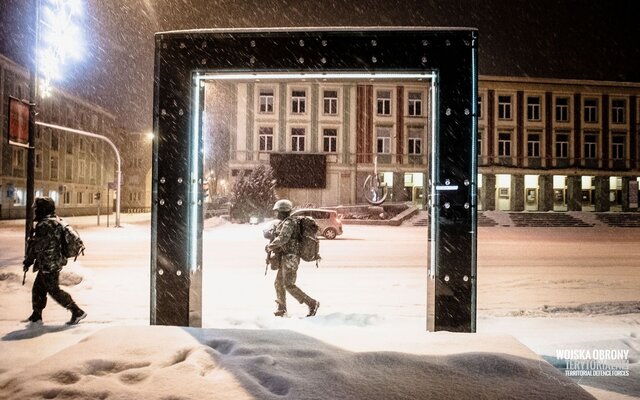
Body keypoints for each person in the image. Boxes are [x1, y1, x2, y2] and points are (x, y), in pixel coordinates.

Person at [22, 197, 86, 325]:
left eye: (38, 208)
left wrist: (28, 261)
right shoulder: (56, 220)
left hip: (48, 264)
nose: (36, 211)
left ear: (43, 209)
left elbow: (37, 246)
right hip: (52, 262)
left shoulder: (44, 225)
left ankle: (77, 311)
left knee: (54, 291)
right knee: (38, 289)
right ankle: (36, 315)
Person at [265, 199, 320, 317]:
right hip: (286, 256)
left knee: (288, 284)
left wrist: (270, 246)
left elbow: (283, 239)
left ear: (282, 211)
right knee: (278, 283)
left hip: (291, 257)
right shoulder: (285, 222)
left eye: (277, 211)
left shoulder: (288, 223)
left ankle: (311, 303)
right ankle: (281, 308)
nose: (276, 214)